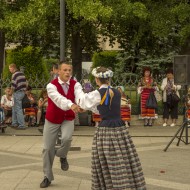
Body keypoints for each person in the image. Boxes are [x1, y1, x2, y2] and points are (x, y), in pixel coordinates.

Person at [78, 67, 146, 190]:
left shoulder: (97, 93)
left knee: (106, 160)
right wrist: (91, 108)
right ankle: (127, 183)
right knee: (124, 157)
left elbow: (82, 102)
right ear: (109, 79)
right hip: (120, 128)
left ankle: (110, 185)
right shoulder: (117, 92)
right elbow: (103, 107)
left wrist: (77, 88)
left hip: (106, 130)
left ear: (97, 79)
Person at [40, 61, 83, 188]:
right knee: (48, 148)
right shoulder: (51, 86)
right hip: (52, 119)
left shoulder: (76, 84)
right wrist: (71, 105)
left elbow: (80, 95)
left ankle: (62, 155)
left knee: (67, 138)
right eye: (65, 70)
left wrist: (82, 104)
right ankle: (47, 176)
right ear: (58, 71)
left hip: (68, 118)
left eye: (69, 70)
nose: (67, 72)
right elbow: (59, 100)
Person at [9, 63, 27, 130]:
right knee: (14, 108)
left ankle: (22, 125)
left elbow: (13, 85)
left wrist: (11, 93)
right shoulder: (22, 74)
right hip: (22, 92)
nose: (9, 70)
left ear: (13, 67)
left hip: (17, 92)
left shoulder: (14, 75)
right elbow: (26, 84)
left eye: (10, 68)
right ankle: (14, 123)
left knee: (18, 109)